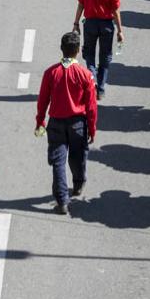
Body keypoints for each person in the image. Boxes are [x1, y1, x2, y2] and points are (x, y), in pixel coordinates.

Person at [36, 32, 98, 214]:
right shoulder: (85, 74)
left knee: (58, 162)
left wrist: (40, 120)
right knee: (78, 157)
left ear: (61, 49)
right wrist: (92, 129)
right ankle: (78, 184)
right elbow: (91, 106)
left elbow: (43, 100)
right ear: (78, 51)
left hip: (56, 123)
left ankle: (62, 200)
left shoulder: (51, 73)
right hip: (78, 123)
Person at [73, 0, 125, 98]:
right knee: (105, 57)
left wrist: (76, 23)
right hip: (106, 26)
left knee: (89, 54)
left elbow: (81, 4)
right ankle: (100, 88)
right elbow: (115, 10)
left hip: (89, 24)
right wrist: (120, 30)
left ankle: (92, 77)